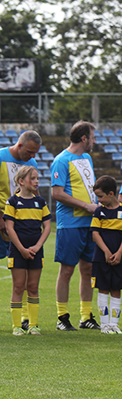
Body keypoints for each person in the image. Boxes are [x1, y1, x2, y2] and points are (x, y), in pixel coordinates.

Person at [0, 130, 41, 331]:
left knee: (23, 270)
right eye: (30, 152)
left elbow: (34, 192)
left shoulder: (32, 163)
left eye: (35, 153)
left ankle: (24, 317)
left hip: (21, 226)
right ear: (20, 146)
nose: (32, 157)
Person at [51, 121, 100, 331]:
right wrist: (86, 206)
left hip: (91, 224)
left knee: (88, 269)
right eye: (93, 137)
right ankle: (62, 317)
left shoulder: (87, 158)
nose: (94, 142)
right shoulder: (61, 160)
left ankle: (85, 316)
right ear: (84, 139)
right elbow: (57, 193)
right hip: (70, 224)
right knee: (67, 270)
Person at [3, 166, 51, 336]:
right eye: (33, 178)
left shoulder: (41, 202)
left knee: (33, 287)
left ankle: (33, 325)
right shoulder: (12, 202)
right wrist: (22, 249)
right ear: (21, 181)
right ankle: (16, 326)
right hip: (18, 252)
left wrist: (37, 247)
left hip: (36, 251)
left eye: (38, 178)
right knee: (18, 286)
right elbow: (10, 228)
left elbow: (47, 227)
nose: (37, 181)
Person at [90, 175, 122, 334]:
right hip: (101, 258)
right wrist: (107, 252)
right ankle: (104, 325)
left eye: (101, 196)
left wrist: (119, 253)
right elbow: (95, 234)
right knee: (102, 288)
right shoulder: (98, 212)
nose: (99, 200)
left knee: (117, 289)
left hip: (119, 258)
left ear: (111, 194)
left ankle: (114, 324)